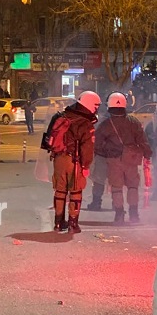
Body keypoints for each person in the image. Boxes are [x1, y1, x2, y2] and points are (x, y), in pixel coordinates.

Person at [45, 91, 100, 233]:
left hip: (58, 159)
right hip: (74, 161)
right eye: (96, 105)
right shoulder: (85, 123)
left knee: (60, 190)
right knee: (76, 191)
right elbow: (87, 148)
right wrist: (86, 166)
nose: (96, 109)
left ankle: (58, 223)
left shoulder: (63, 115)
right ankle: (73, 224)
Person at [94, 93, 152, 225]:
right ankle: (134, 214)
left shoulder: (106, 124)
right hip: (131, 159)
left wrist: (105, 153)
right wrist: (147, 154)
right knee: (133, 186)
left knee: (117, 188)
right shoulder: (133, 122)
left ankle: (119, 215)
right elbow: (143, 141)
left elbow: (97, 144)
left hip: (113, 160)